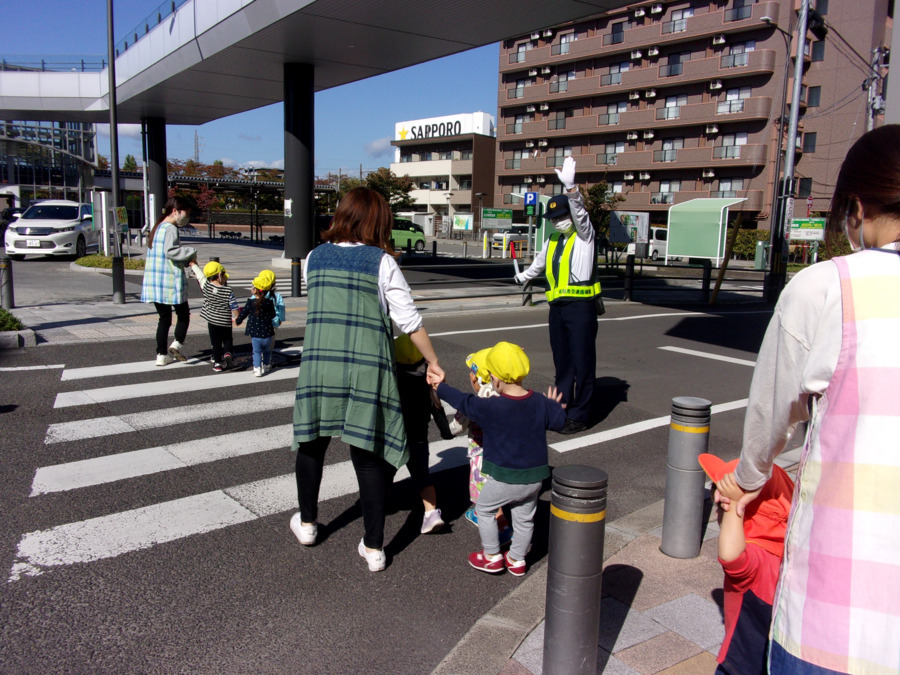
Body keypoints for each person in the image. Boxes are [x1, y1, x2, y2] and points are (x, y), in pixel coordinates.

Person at [723, 125, 900, 673]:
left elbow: (770, 415)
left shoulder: (827, 288)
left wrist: (748, 481)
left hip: (837, 618)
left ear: (857, 207)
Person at [290, 186, 444, 573]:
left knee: (312, 444)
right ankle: (374, 548)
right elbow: (409, 321)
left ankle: (308, 524)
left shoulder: (314, 257)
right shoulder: (381, 262)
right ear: (379, 221)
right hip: (367, 366)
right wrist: (434, 362)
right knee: (369, 454)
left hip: (320, 363)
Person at [434, 341, 566, 577]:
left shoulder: (492, 407)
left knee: (484, 510)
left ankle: (492, 556)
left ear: (494, 378)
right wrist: (555, 406)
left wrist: (440, 388)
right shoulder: (540, 402)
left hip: (504, 478)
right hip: (535, 479)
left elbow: (463, 401)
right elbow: (560, 422)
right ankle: (516, 559)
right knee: (525, 520)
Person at [514, 156, 600, 434]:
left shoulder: (585, 236)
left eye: (563, 216)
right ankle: (560, 408)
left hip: (581, 307)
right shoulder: (552, 240)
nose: (559, 222)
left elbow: (581, 215)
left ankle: (580, 414)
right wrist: (524, 276)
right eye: (554, 219)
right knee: (562, 362)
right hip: (558, 308)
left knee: (583, 363)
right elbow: (539, 263)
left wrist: (571, 189)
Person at [699, 454, 792, 675]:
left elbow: (731, 557)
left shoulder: (757, 559)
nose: (718, 514)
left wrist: (732, 509)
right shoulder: (789, 554)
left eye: (720, 508)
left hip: (740, 663)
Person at [448, 348, 512, 545]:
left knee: (486, 495)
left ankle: (500, 531)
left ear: (476, 379)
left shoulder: (474, 404)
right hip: (507, 455)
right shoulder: (508, 399)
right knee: (500, 488)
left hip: (481, 457)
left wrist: (446, 428)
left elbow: (455, 428)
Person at [394, 333, 445, 535]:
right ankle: (431, 513)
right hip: (419, 438)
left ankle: (380, 501)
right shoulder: (428, 386)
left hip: (394, 437)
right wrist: (449, 432)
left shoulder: (392, 383)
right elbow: (439, 414)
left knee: (384, 472)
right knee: (422, 474)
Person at [140, 197, 197, 366]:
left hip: (154, 281)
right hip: (170, 281)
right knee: (183, 314)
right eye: (186, 213)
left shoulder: (157, 227)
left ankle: (161, 354)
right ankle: (177, 344)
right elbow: (171, 252)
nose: (187, 217)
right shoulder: (171, 228)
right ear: (175, 211)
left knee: (164, 319)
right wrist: (191, 252)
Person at [188, 260, 238, 371]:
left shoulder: (206, 288)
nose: (226, 278)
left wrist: (194, 265)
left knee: (215, 343)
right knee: (228, 339)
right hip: (225, 321)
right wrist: (238, 318)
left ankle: (217, 364)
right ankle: (228, 354)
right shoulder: (228, 290)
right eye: (224, 275)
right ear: (220, 275)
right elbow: (234, 307)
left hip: (212, 321)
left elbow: (200, 277)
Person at [235, 272, 277, 377]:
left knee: (257, 352)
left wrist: (238, 321)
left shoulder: (250, 303)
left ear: (255, 290)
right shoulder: (269, 302)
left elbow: (243, 313)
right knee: (267, 351)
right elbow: (273, 315)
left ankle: (257, 368)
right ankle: (267, 365)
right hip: (267, 333)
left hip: (255, 334)